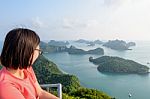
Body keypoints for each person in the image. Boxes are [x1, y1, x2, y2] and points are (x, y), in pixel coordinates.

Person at [0, 28, 59, 99]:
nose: (39, 53)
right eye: (38, 50)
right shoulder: (6, 86)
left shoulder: (26, 69)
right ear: (27, 52)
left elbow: (40, 93)